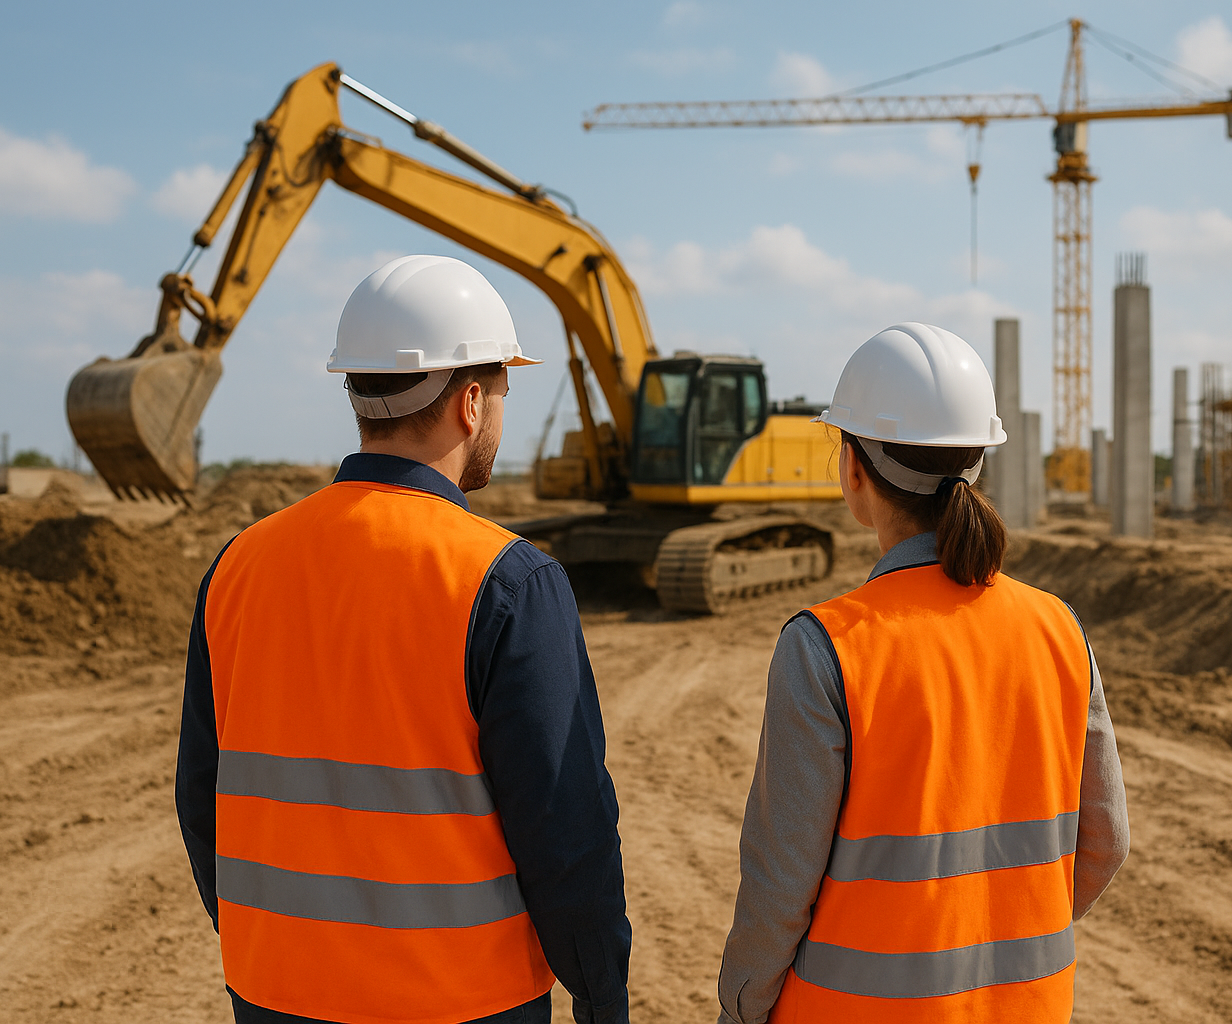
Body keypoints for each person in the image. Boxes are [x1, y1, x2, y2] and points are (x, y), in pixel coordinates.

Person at [176, 255, 630, 1024]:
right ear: (473, 402)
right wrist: (600, 989)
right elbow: (565, 831)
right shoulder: (508, 581)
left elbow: (202, 796)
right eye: (503, 395)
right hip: (462, 1000)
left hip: (273, 990)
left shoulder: (239, 564)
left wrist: (273, 949)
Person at [716, 323, 1130, 1023]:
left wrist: (741, 1009)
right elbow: (1106, 842)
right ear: (978, 464)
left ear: (853, 469)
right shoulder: (1060, 628)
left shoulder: (827, 646)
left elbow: (779, 888)